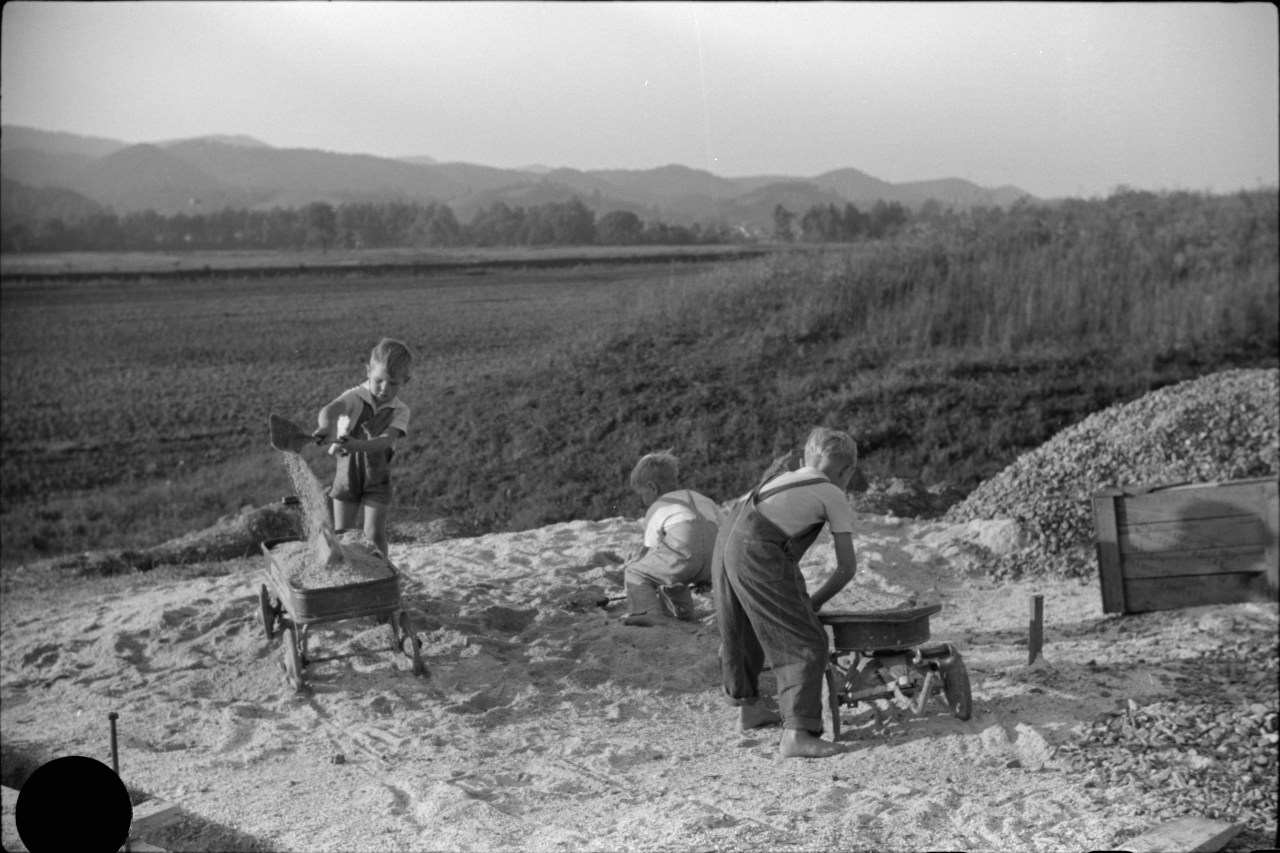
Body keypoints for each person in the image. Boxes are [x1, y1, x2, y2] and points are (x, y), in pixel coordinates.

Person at [712, 426, 860, 759]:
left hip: (727, 543)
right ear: (848, 470)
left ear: (803, 458)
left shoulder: (778, 479)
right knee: (804, 639)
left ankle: (747, 710)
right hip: (757, 551)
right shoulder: (832, 492)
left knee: (743, 628)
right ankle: (797, 735)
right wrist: (814, 603)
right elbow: (847, 567)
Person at [312, 338, 412, 557]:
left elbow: (386, 440)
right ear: (368, 371)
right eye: (379, 380)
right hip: (346, 476)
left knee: (375, 534)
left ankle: (382, 577)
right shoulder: (355, 397)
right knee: (343, 533)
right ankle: (343, 577)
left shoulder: (400, 411)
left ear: (406, 381)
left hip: (378, 478)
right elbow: (329, 410)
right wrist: (325, 426)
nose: (384, 389)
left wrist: (358, 445)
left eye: (393, 383)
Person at [620, 451, 722, 628]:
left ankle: (644, 613)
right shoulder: (703, 499)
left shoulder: (658, 507)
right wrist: (706, 577)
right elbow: (723, 530)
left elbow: (650, 549)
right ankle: (683, 612)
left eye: (642, 494)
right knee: (671, 573)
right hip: (713, 563)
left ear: (653, 488)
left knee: (637, 572)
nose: (643, 501)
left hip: (684, 558)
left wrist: (635, 566)